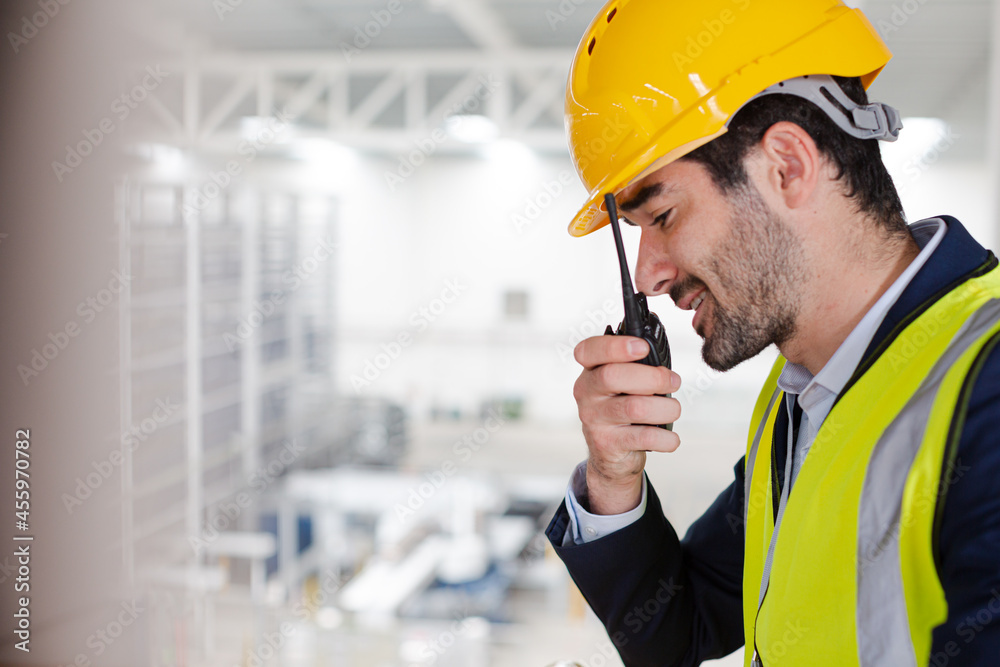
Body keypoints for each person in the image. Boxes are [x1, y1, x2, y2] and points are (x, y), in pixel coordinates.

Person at [543, 1, 1000, 666]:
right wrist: (614, 477)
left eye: (662, 215)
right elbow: (682, 626)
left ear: (787, 165)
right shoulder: (801, 397)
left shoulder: (984, 387)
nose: (648, 276)